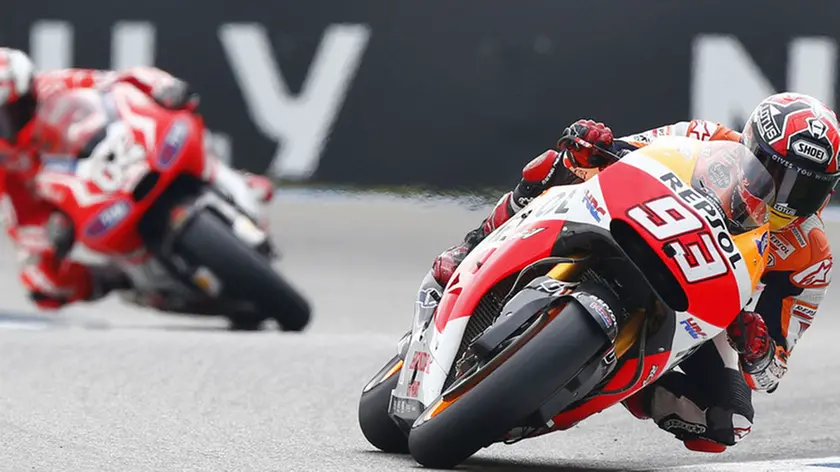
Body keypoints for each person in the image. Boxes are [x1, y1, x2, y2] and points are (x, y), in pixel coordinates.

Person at [424, 92, 838, 453]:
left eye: (803, 189)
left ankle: (630, 383)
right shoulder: (705, 137)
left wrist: (757, 344)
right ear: (749, 145)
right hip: (640, 224)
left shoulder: (812, 257)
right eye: (773, 172)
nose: (783, 199)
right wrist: (597, 144)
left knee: (729, 422)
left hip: (707, 307)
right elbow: (630, 152)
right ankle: (473, 244)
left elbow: (772, 372)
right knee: (562, 161)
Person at [0, 47, 275, 311]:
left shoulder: (54, 84)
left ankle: (224, 175)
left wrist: (162, 87)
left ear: (28, 87)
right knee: (40, 281)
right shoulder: (4, 160)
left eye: (13, 108)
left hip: (116, 153)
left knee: (181, 114)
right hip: (73, 199)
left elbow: (119, 82)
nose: (9, 120)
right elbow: (17, 218)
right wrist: (46, 234)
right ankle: (122, 279)